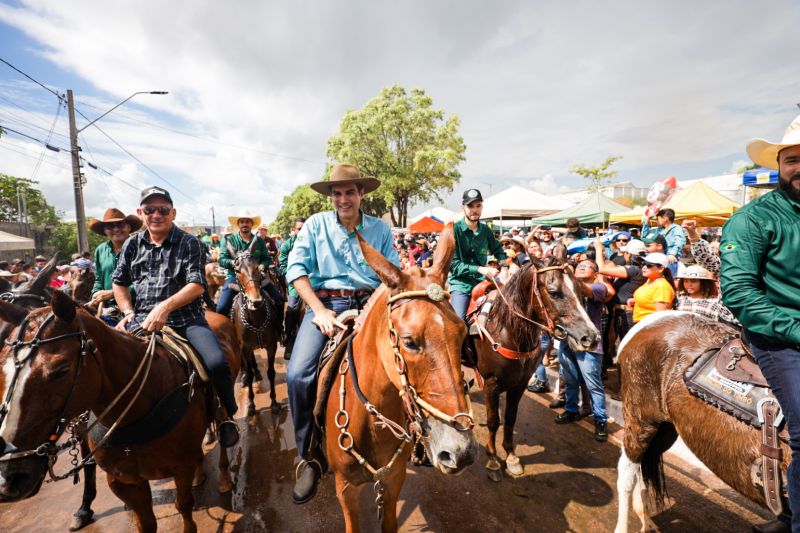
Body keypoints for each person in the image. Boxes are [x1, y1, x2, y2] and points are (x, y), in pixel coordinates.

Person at [285, 164, 398, 504]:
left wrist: (371, 311)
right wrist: (319, 310)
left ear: (362, 194)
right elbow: (296, 270)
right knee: (297, 374)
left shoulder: (380, 229)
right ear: (331, 196)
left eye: (350, 192)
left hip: (371, 304)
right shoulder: (315, 225)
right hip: (326, 306)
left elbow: (392, 275)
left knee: (409, 357)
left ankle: (417, 437)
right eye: (337, 193)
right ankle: (308, 456)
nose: (343, 199)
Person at [721, 114, 800, 533]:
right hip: (777, 337)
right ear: (780, 166)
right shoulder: (752, 219)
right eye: (792, 159)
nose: (799, 167)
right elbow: (739, 292)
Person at [112, 186, 239, 448]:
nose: (156, 215)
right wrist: (128, 311)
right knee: (105, 362)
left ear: (173, 213)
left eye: (163, 210)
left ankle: (226, 414)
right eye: (150, 210)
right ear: (140, 213)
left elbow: (197, 285)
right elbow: (119, 282)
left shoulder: (189, 242)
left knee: (216, 363)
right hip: (142, 320)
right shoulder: (132, 244)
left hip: (186, 320)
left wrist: (165, 307)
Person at [553, 259, 613, 441]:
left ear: (596, 274)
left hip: (589, 344)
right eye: (579, 265)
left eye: (587, 266)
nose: (581, 267)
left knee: (593, 385)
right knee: (570, 379)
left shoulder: (599, 287)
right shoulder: (568, 287)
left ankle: (600, 420)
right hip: (568, 340)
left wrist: (569, 273)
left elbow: (585, 290)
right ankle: (571, 410)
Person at [448, 189, 507, 320]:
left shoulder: (485, 230)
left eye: (478, 206)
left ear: (482, 207)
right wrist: (481, 269)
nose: (474, 210)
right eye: (470, 206)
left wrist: (504, 267)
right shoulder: (454, 230)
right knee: (459, 321)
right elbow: (453, 265)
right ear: (462, 207)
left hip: (483, 282)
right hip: (461, 284)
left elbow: (498, 249)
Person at [216, 210, 275, 318]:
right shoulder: (229, 240)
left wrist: (262, 265)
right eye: (242, 222)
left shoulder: (259, 241)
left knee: (279, 299)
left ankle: (280, 327)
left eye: (247, 222)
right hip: (234, 277)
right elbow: (222, 260)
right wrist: (232, 262)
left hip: (257, 276)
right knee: (221, 308)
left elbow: (267, 259)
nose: (245, 224)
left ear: (252, 224)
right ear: (238, 224)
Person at [88, 208, 143, 314]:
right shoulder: (101, 250)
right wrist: (96, 294)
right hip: (108, 308)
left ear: (129, 227)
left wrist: (113, 293)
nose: (116, 229)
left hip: (136, 306)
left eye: (120, 225)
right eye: (110, 226)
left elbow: (146, 282)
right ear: (105, 230)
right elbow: (99, 279)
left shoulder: (141, 248)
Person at [675, 265, 739, 327]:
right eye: (685, 281)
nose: (689, 284)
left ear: (704, 282)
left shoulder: (714, 303)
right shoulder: (679, 301)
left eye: (693, 281)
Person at [279, 217, 306, 360]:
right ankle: (288, 337)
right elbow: (283, 266)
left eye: (304, 228)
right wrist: (294, 277)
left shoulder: (314, 242)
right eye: (299, 229)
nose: (302, 231)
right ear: (294, 230)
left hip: (313, 281)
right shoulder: (287, 245)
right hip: (296, 282)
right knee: (292, 309)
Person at [627, 252, 675, 324]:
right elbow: (649, 299)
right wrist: (636, 301)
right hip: (640, 324)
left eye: (649, 265)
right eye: (643, 264)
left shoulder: (661, 286)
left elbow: (659, 317)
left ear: (661, 268)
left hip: (648, 326)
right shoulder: (650, 281)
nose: (644, 267)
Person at [642, 208, 686, 276]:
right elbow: (645, 236)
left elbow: (679, 241)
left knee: (669, 277)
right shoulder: (659, 230)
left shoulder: (677, 228)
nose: (656, 221)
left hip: (670, 258)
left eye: (658, 219)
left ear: (665, 219)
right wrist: (647, 221)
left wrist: (672, 254)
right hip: (660, 257)